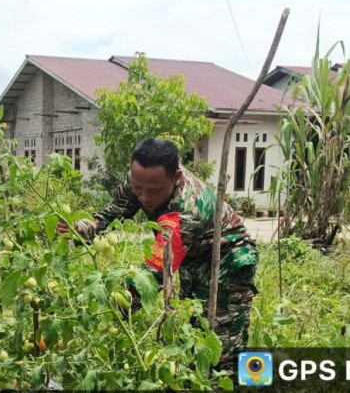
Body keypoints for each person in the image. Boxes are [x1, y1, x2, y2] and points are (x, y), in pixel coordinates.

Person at [58, 138, 258, 371]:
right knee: (195, 335)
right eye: (137, 188)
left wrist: (110, 308)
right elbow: (111, 214)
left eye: (153, 191)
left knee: (225, 349)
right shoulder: (143, 178)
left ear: (175, 178)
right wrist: (82, 228)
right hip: (193, 259)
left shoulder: (186, 210)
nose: (143, 197)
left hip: (228, 260)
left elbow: (155, 273)